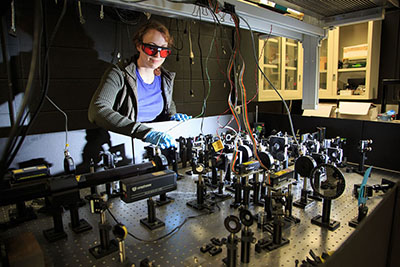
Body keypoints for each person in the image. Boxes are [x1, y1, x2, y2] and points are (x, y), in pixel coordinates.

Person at [88, 20, 191, 149]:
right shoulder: (119, 73)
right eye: (151, 48)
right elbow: (98, 110)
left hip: (156, 147)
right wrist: (145, 133)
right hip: (127, 144)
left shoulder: (165, 78)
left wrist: (172, 116)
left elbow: (168, 105)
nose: (158, 55)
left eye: (164, 50)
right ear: (139, 46)